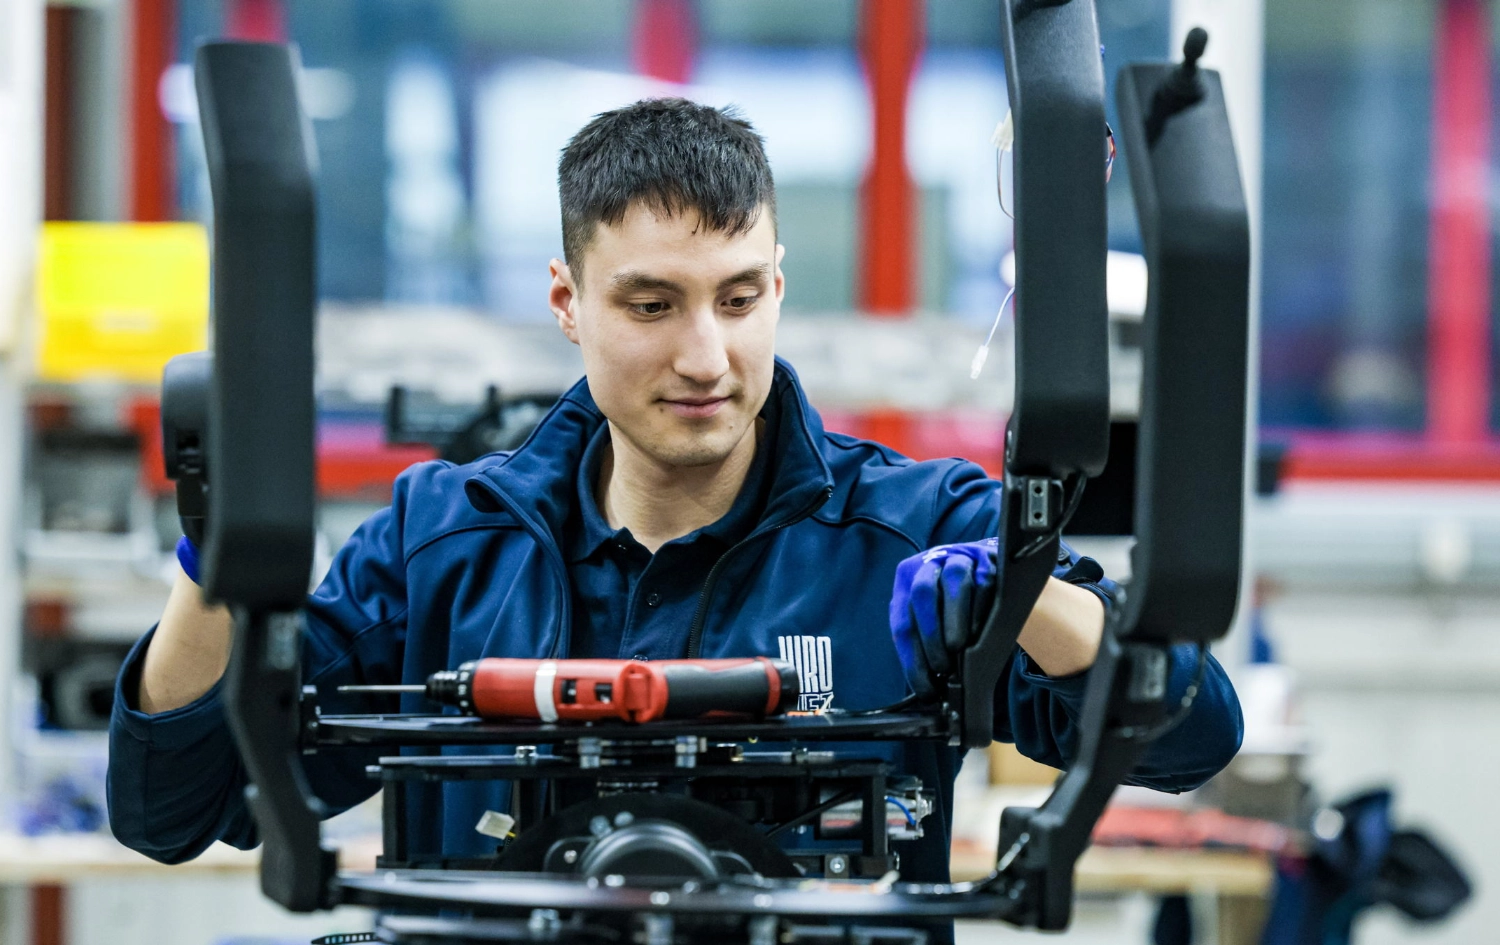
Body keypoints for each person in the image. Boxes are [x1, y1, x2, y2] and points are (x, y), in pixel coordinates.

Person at [108, 99, 1241, 903]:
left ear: (779, 287)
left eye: (740, 298)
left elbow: (1195, 738)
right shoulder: (440, 542)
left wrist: (1030, 596)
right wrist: (220, 561)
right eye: (652, 305)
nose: (708, 355)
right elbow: (173, 810)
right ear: (568, 300)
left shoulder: (913, 531)